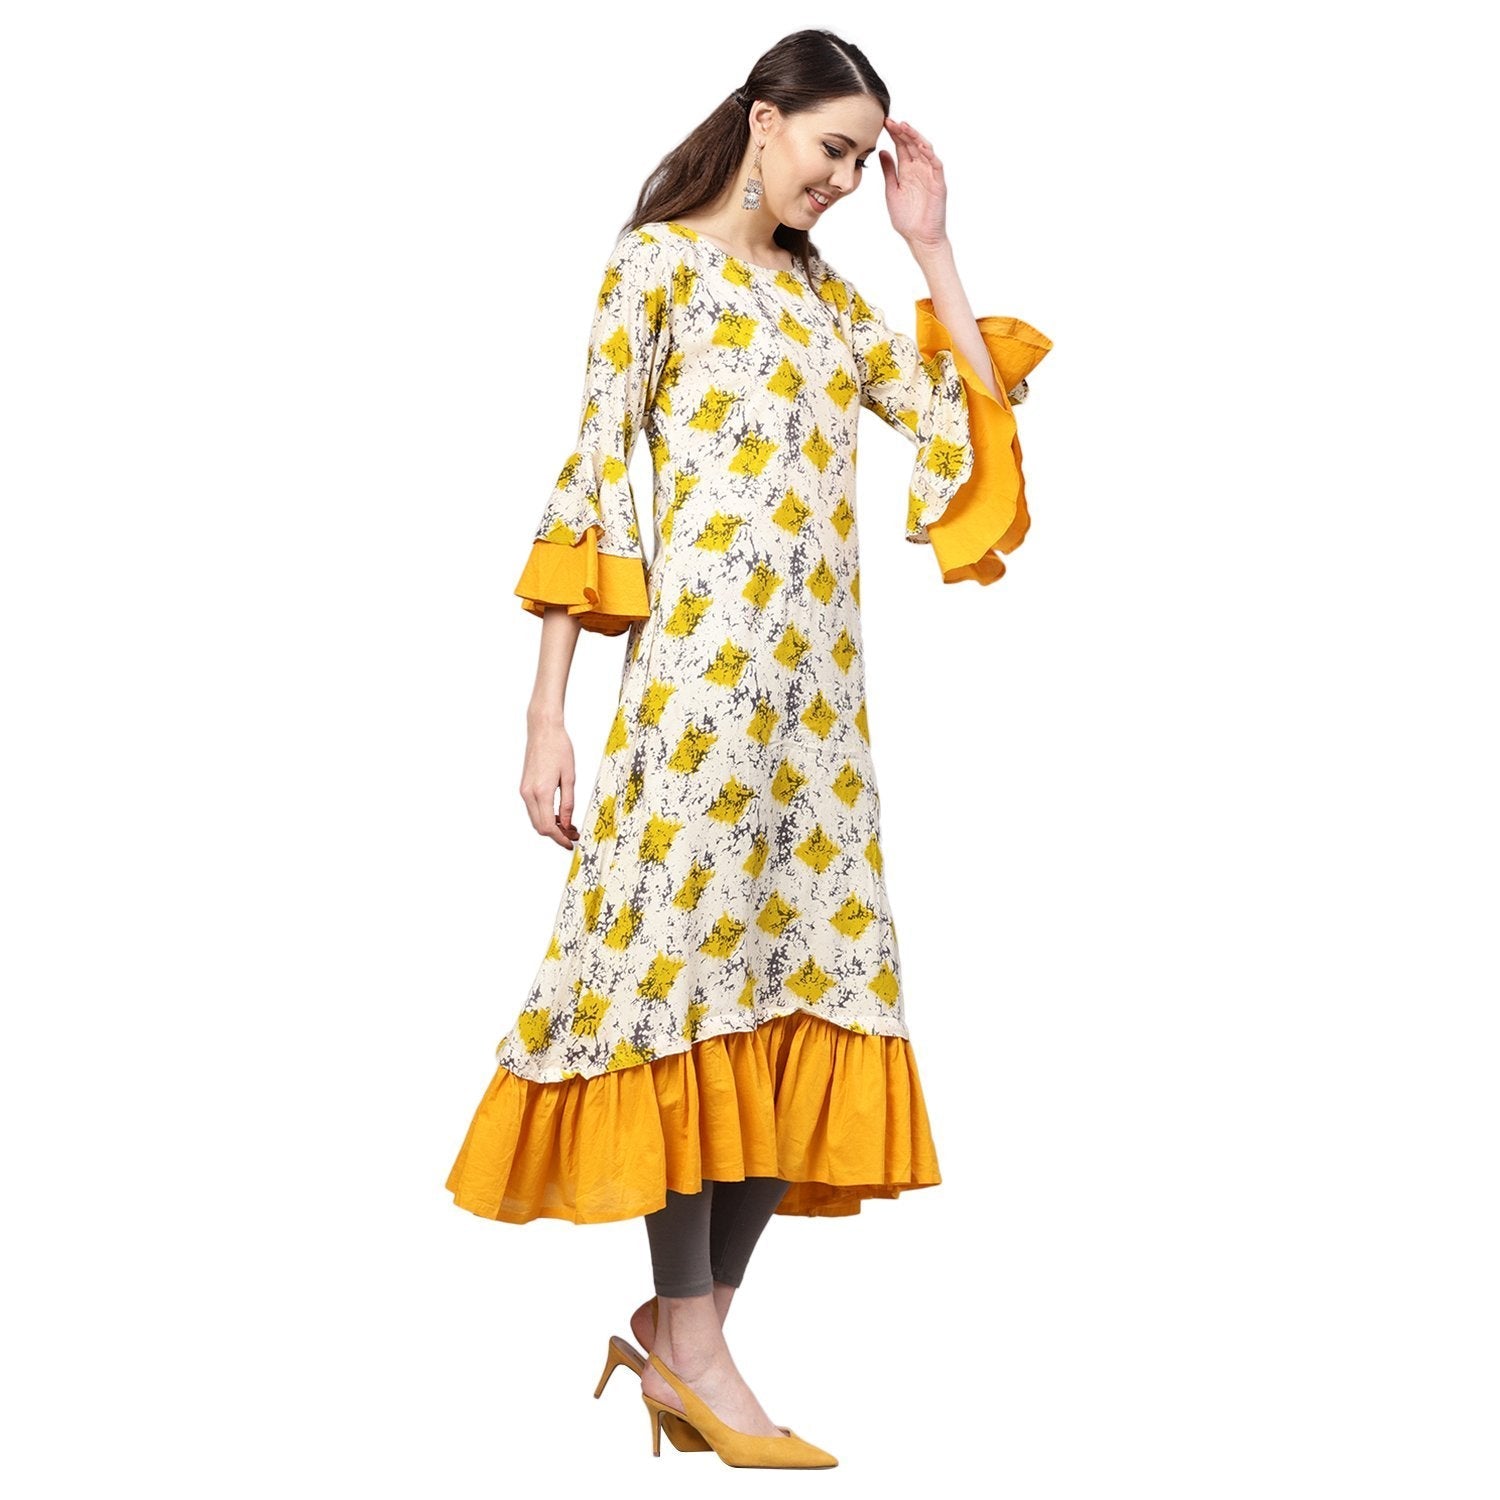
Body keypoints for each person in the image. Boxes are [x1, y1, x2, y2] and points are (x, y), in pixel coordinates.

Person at [444, 27, 1052, 1469]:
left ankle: (687, 1333)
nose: (842, 180)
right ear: (765, 121)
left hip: (817, 726)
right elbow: (594, 478)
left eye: (862, 161)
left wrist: (930, 244)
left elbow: (963, 416)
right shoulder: (656, 269)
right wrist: (547, 714)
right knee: (689, 996)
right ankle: (693, 1337)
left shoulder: (824, 295)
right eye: (834, 150)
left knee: (816, 994)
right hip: (696, 711)